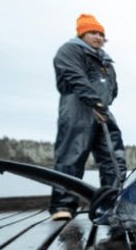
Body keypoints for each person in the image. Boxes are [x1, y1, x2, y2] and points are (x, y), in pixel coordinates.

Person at [49, 14, 127, 220]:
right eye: (93, 32)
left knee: (114, 157)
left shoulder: (105, 60)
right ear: (82, 34)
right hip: (78, 108)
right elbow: (75, 77)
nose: (99, 37)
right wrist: (95, 103)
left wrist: (104, 105)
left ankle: (114, 202)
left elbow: (112, 87)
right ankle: (62, 206)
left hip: (103, 110)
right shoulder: (70, 51)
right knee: (71, 155)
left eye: (102, 34)